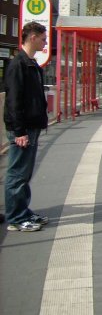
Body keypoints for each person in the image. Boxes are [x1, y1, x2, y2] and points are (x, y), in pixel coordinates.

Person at [4, 22, 50, 232]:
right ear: (32, 37)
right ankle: (16, 217)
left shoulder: (29, 63)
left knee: (24, 173)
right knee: (18, 174)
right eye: (43, 38)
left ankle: (23, 211)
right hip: (23, 129)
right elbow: (13, 101)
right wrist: (20, 131)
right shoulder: (19, 64)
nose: (45, 42)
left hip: (31, 126)